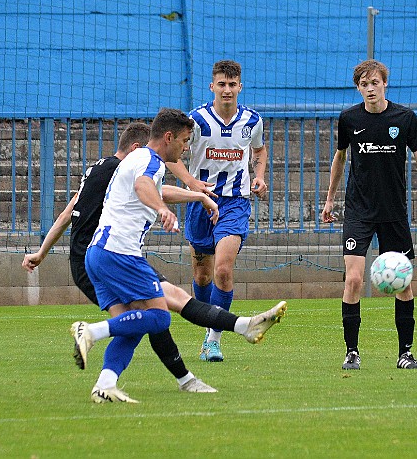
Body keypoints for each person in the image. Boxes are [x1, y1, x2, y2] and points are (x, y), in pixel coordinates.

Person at [64, 108, 285, 403]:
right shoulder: (150, 161)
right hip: (121, 256)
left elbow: (157, 188)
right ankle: (90, 331)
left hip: (99, 255)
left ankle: (105, 384)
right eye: (184, 141)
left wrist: (199, 195)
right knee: (158, 318)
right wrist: (161, 209)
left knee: (134, 324)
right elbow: (146, 187)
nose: (185, 148)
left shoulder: (139, 159)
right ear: (168, 137)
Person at [321, 59, 417, 371]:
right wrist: (330, 199)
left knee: (403, 284)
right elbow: (340, 158)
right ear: (358, 87)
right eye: (364, 84)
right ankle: (351, 352)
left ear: (385, 84)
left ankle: (406, 354)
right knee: (354, 279)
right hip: (358, 211)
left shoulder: (405, 118)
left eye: (375, 82)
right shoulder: (348, 118)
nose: (370, 88)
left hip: (393, 213)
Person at [167, 60, 268, 363]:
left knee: (223, 269)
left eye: (232, 84)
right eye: (221, 84)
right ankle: (208, 322)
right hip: (201, 202)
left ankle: (213, 338)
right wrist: (190, 183)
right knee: (202, 273)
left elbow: (259, 150)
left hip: (234, 203)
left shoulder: (252, 120)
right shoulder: (196, 121)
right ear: (212, 86)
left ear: (240, 87)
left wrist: (259, 175)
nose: (227, 90)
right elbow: (172, 156)